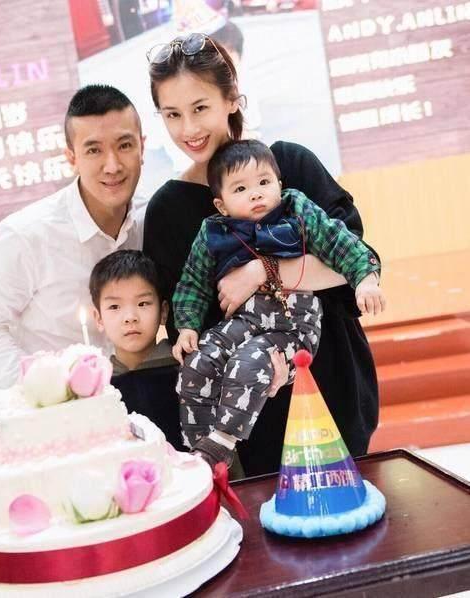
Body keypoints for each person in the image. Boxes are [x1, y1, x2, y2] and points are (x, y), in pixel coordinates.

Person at [144, 32, 382, 476]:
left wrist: (263, 271)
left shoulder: (291, 165)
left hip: (328, 383)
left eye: (200, 108)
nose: (188, 129)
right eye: (172, 115)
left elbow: (353, 262)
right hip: (246, 417)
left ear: (231, 98)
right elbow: (186, 321)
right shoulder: (168, 209)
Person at [171, 139, 384, 468]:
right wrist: (187, 326)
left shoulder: (297, 210)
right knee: (199, 361)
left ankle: (223, 441)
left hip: (292, 325)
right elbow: (193, 283)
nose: (256, 194)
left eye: (264, 182)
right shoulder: (213, 231)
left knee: (248, 362)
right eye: (240, 188)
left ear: (279, 185)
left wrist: (366, 280)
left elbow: (341, 243)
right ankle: (198, 448)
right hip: (242, 323)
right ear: (221, 205)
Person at [0, 84, 146, 448]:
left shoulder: (151, 217)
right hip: (28, 424)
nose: (112, 165)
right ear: (71, 157)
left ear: (142, 146)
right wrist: (45, 390)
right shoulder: (28, 234)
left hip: (112, 419)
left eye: (124, 145)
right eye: (93, 150)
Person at [88, 249, 184, 450]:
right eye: (115, 307)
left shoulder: (186, 371)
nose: (130, 317)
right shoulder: (97, 387)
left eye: (142, 303)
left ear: (163, 311)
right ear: (98, 318)